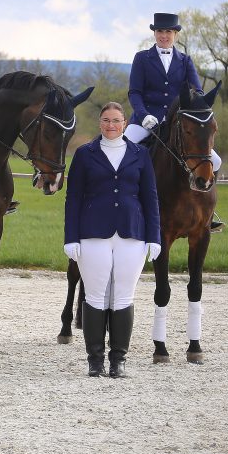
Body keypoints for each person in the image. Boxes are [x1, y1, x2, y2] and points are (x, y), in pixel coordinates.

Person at [64, 102, 161, 378]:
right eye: (106, 120)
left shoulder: (140, 154)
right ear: (99, 123)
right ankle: (95, 360)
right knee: (94, 296)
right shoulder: (84, 154)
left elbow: (150, 198)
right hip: (92, 233)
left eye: (116, 120)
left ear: (124, 122)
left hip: (132, 233)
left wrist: (154, 236)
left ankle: (118, 360)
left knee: (123, 296)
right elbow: (73, 200)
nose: (111, 125)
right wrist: (71, 237)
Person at [126, 12, 222, 230]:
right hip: (146, 119)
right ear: (155, 33)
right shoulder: (142, 58)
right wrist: (143, 115)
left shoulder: (185, 60)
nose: (164, 35)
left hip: (177, 122)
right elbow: (135, 92)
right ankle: (124, 203)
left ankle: (208, 210)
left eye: (168, 31)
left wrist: (191, 110)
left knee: (215, 162)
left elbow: (196, 91)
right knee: (125, 146)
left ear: (176, 34)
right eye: (160, 31)